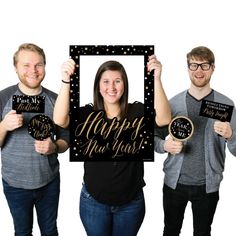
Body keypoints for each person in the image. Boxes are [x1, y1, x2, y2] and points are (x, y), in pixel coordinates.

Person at [53, 54, 170, 236]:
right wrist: (66, 80)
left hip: (131, 202)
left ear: (125, 85)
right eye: (106, 81)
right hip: (93, 201)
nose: (112, 87)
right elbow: (60, 120)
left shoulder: (137, 111)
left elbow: (164, 119)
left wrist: (156, 78)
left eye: (117, 81)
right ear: (98, 86)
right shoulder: (87, 114)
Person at [154, 46, 236, 236]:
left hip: (208, 186)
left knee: (202, 232)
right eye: (194, 65)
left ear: (213, 68)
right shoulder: (173, 104)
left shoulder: (226, 105)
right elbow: (153, 137)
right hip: (174, 184)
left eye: (204, 65)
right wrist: (163, 145)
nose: (199, 70)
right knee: (171, 230)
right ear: (188, 68)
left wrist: (231, 135)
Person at [0, 43, 69, 236]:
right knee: (22, 232)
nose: (33, 70)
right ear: (15, 67)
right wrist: (4, 126)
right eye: (26, 65)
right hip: (14, 184)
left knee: (49, 231)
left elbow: (66, 138)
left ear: (45, 67)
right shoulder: (3, 97)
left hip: (49, 182)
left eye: (38, 65)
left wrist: (54, 147)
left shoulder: (56, 99)